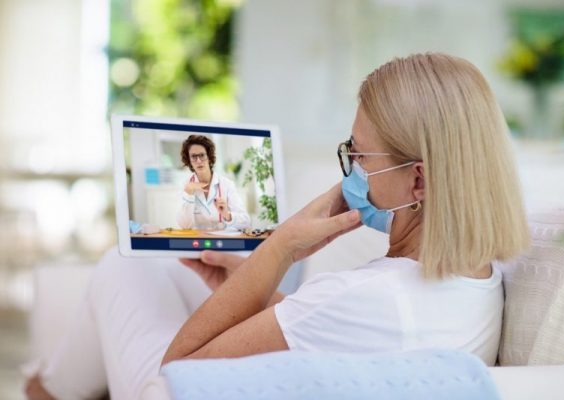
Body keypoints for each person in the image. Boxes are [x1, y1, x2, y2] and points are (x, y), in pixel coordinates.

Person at [25, 53, 530, 400]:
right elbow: (338, 334)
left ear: (418, 180)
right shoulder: (480, 278)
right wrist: (248, 281)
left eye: (359, 155)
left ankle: (44, 391)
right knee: (165, 269)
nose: (350, 169)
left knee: (124, 266)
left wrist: (281, 245)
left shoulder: (367, 295)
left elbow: (175, 378)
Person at [176, 134, 250, 231]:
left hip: (222, 238)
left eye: (202, 155)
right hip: (198, 239)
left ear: (209, 157)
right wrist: (189, 193)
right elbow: (185, 225)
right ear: (189, 160)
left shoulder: (226, 184)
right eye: (193, 156)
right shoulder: (185, 185)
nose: (198, 161)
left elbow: (246, 221)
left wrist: (227, 215)